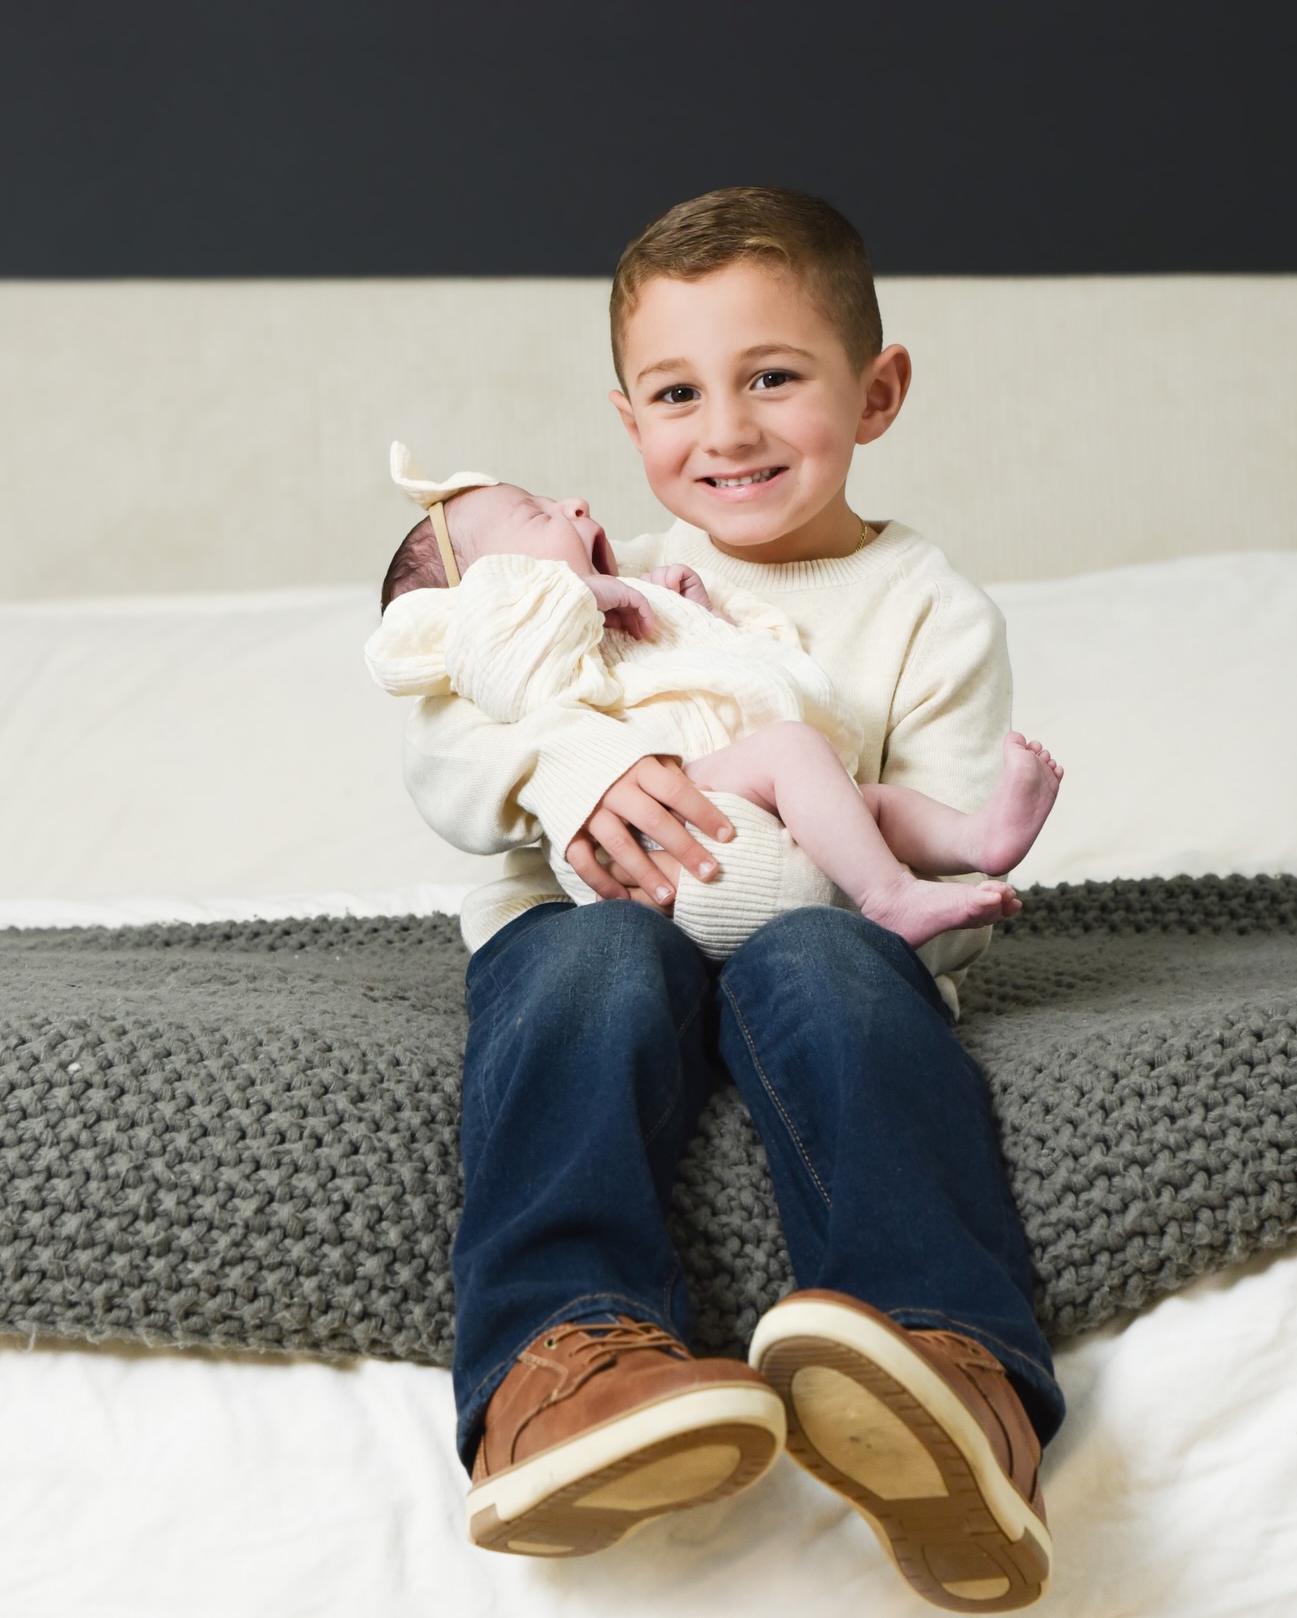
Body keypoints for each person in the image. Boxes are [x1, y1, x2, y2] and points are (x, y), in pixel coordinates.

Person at [398, 187, 1065, 1612]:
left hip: (803, 931)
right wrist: (575, 766)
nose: (728, 430)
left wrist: (945, 863)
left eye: (774, 377)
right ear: (629, 419)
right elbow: (445, 759)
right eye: (676, 392)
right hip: (599, 925)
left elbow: (931, 859)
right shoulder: (577, 580)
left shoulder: (927, 610)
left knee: (830, 965)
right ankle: (561, 1369)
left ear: (875, 391)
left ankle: (952, 1376)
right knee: (593, 964)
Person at [366, 462, 1062, 953]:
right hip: (653, 837)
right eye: (537, 514)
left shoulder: (639, 584)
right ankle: (890, 897)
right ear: (490, 592)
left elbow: (723, 676)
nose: (573, 503)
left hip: (754, 826)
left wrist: (690, 614)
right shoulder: (502, 636)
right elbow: (489, 679)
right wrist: (583, 602)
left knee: (862, 801)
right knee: (795, 752)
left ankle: (976, 842)